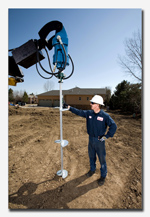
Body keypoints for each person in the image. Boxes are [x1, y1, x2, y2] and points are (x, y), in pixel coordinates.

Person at [67, 95, 117, 186]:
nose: (90, 104)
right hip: (91, 139)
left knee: (102, 159)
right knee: (91, 156)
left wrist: (106, 137)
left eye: (92, 103)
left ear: (97, 105)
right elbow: (79, 112)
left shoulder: (105, 116)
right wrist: (69, 107)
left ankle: (103, 176)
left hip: (99, 141)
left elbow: (114, 126)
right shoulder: (89, 113)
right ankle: (92, 170)